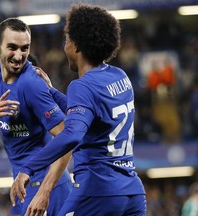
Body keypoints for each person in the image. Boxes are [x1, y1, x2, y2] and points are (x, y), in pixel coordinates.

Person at [10, 3, 147, 216]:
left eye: (66, 40)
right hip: (132, 192)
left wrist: (28, 168)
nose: (64, 47)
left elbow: (72, 134)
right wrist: (53, 92)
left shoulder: (81, 86)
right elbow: (91, 113)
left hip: (97, 190)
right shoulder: (120, 76)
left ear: (76, 46)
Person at [0, 18, 72, 216]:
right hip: (21, 184)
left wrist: (44, 192)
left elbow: (67, 137)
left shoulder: (31, 85)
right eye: (12, 47)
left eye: (24, 48)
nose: (19, 56)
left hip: (46, 186)